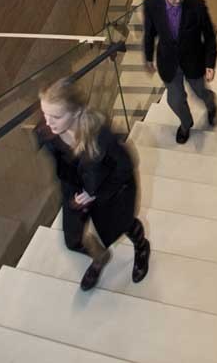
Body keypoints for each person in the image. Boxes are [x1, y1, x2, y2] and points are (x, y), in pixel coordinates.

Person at [38, 79, 150, 291]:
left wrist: (97, 194)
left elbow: (125, 167)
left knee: (123, 224)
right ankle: (100, 257)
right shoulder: (47, 133)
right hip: (74, 193)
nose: (48, 122)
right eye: (45, 114)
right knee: (73, 240)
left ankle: (142, 246)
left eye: (56, 116)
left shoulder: (101, 135)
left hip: (110, 191)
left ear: (76, 112)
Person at [143, 0, 217, 144]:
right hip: (168, 63)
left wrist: (210, 63)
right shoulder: (151, 5)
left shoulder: (197, 6)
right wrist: (148, 57)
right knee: (175, 100)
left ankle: (211, 103)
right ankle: (186, 124)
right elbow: (149, 33)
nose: (177, 1)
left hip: (194, 61)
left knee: (200, 92)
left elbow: (209, 36)